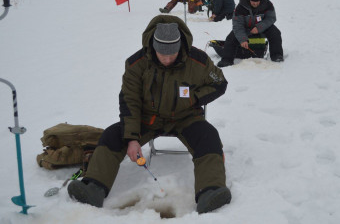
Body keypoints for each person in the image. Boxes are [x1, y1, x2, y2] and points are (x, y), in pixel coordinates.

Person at [67, 15, 231, 214]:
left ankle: (210, 191)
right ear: (153, 47)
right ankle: (93, 187)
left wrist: (194, 98)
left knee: (209, 135)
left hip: (186, 117)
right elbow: (130, 100)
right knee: (112, 134)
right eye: (163, 54)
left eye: (173, 54)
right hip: (148, 118)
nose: (168, 59)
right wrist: (132, 138)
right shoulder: (137, 64)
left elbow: (220, 83)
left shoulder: (199, 61)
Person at [217, 0, 283, 67]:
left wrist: (259, 27)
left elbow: (271, 18)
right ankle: (226, 60)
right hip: (246, 28)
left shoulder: (267, 4)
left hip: (263, 27)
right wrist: (242, 39)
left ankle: (276, 55)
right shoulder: (240, 7)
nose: (255, 4)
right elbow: (237, 25)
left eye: (257, 2)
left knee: (275, 33)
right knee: (230, 38)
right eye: (253, 2)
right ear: (249, 0)